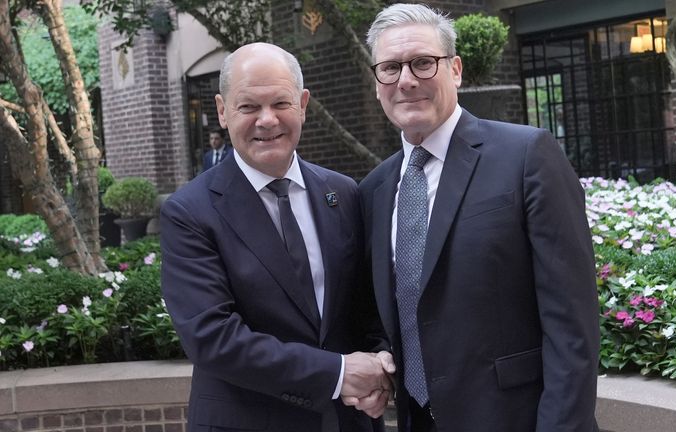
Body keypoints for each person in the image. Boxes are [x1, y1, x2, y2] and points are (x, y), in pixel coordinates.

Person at [358, 4, 600, 431]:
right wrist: (379, 354)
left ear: (455, 69)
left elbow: (572, 327)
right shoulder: (373, 190)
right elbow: (395, 309)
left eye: (422, 63)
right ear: (377, 82)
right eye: (391, 67)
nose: (407, 80)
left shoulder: (526, 156)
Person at [161, 42, 395, 432]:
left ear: (303, 104)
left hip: (349, 422)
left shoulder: (343, 193)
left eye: (281, 104)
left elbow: (367, 306)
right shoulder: (189, 212)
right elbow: (213, 338)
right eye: (248, 107)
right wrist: (337, 373)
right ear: (222, 111)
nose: (267, 120)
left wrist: (380, 362)